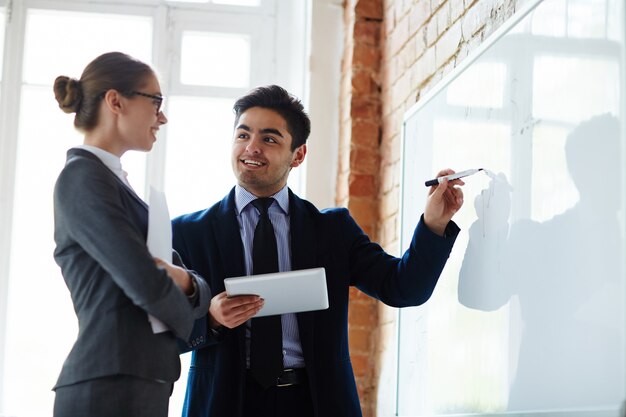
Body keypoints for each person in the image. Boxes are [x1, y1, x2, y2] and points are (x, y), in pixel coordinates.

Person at [172, 85, 464, 417]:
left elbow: (404, 287)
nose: (251, 148)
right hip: (225, 404)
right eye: (243, 135)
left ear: (298, 155)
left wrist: (434, 224)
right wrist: (210, 319)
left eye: (269, 139)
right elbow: (156, 334)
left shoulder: (333, 230)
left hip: (316, 403)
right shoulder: (187, 233)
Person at [51, 51, 210, 417]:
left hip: (135, 383)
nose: (163, 117)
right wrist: (195, 313)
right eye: (156, 102)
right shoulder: (82, 178)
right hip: (108, 387)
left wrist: (184, 280)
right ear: (115, 101)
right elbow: (144, 279)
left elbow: (182, 280)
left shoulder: (114, 184)